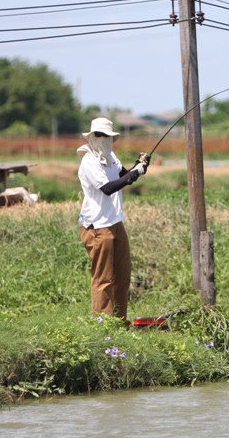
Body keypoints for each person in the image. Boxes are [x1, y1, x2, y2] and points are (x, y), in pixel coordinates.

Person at [77, 117, 149, 322]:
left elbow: (124, 176)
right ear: (92, 137)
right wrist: (133, 174)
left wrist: (139, 167)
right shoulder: (89, 161)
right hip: (97, 226)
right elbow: (108, 188)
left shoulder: (110, 157)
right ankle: (103, 326)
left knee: (122, 276)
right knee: (103, 279)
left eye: (107, 136)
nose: (103, 139)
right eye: (99, 135)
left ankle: (119, 322)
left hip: (116, 223)